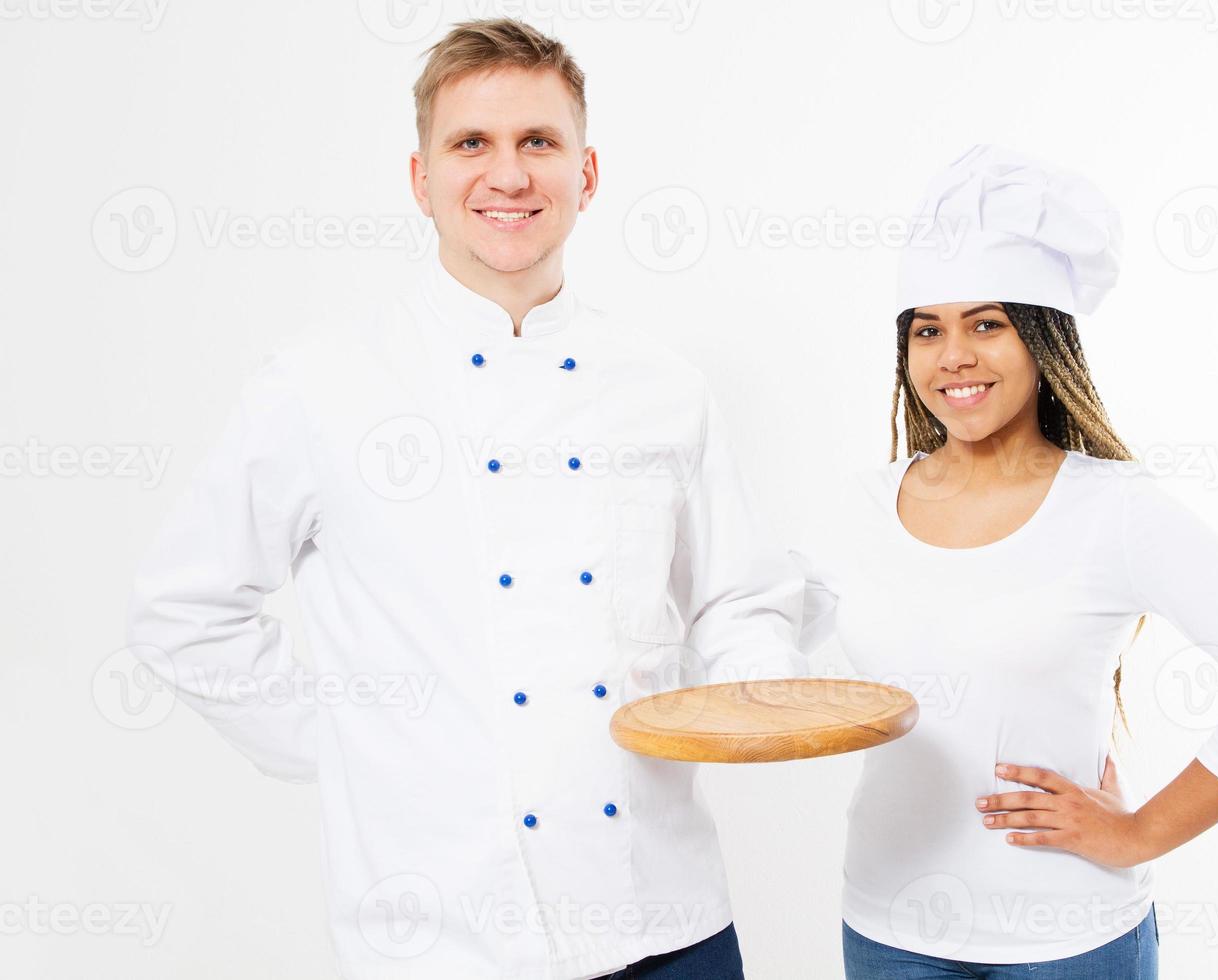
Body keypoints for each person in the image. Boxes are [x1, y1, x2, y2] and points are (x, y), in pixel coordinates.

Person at [124, 19, 800, 980]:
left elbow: (738, 597)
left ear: (588, 172)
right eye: (471, 143)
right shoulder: (320, 383)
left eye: (539, 142)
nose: (509, 175)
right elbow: (182, 611)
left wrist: (756, 690)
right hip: (439, 937)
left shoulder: (665, 385)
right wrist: (348, 744)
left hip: (666, 920)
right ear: (420, 179)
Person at [790, 144, 1218, 978]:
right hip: (888, 928)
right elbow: (750, 640)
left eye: (988, 324)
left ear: (1042, 339)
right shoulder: (860, 508)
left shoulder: (1115, 510)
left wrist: (1143, 830)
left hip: (1071, 942)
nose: (955, 358)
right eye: (928, 330)